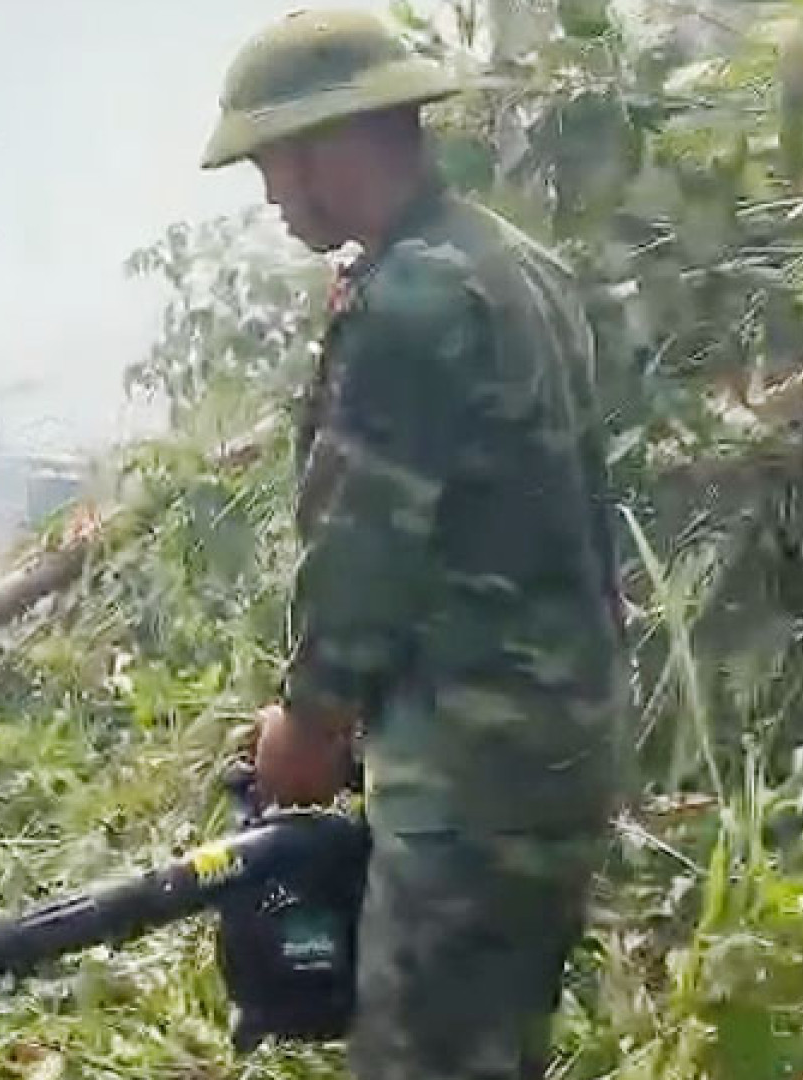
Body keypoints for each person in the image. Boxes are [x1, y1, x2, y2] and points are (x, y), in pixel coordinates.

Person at [199, 10, 629, 1080]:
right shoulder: (509, 263)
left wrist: (307, 726)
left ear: (326, 144)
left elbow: (367, 555)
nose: (266, 194)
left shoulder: (413, 301)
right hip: (555, 749)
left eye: (269, 162)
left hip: (472, 782)